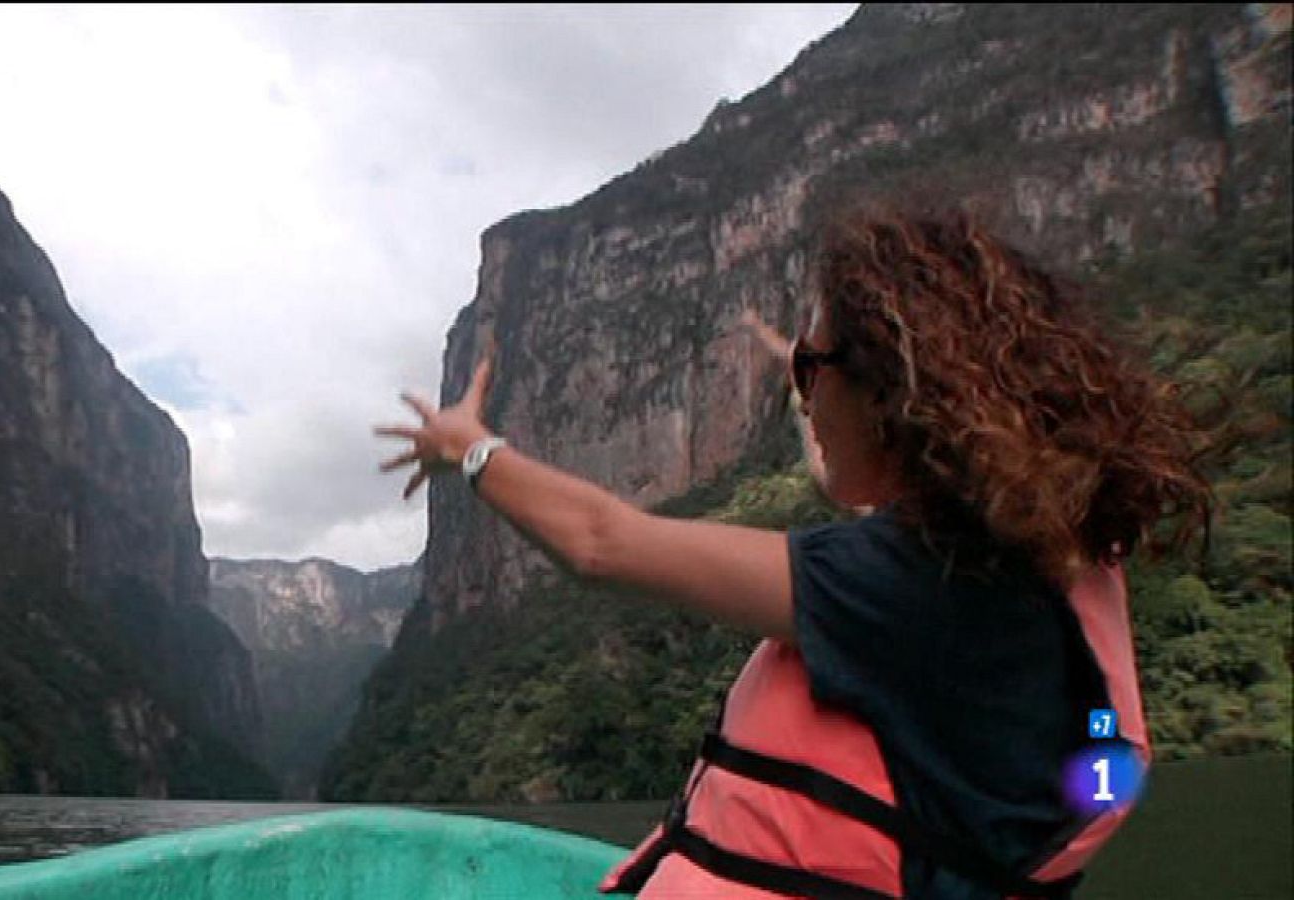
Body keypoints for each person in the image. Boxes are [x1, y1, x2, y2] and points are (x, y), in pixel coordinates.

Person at [374, 206, 1211, 898]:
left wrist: (471, 451)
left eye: (818, 372)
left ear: (893, 394)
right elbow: (850, 481)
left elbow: (603, 543)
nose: (805, 400)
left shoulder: (909, 587)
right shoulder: (1031, 558)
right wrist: (808, 373)